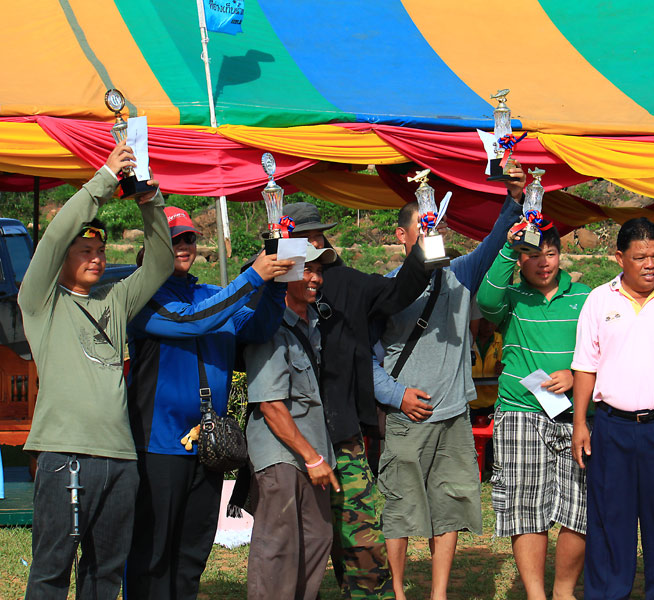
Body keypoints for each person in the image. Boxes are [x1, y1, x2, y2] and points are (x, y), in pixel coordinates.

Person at [18, 141, 173, 598]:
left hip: (120, 460)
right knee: (51, 571)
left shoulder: (114, 300)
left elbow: (161, 260)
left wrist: (150, 201)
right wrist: (104, 180)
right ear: (63, 258)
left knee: (106, 574)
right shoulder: (41, 302)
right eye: (84, 249)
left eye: (101, 250)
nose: (96, 258)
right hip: (65, 454)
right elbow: (51, 237)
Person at [371, 168, 526, 600]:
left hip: (454, 416)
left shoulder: (461, 274)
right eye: (419, 226)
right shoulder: (383, 290)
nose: (427, 232)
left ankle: (438, 594)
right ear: (402, 237)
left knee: (450, 504)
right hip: (406, 418)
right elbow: (365, 361)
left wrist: (513, 198)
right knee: (400, 507)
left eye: (432, 224)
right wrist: (396, 394)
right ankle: (398, 592)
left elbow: (496, 238)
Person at [123, 207, 292, 599]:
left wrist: (276, 284)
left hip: (210, 444)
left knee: (193, 549)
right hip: (159, 444)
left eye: (189, 238)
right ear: (152, 247)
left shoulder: (212, 296)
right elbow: (192, 322)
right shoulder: (142, 295)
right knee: (152, 548)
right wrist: (252, 277)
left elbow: (261, 326)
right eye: (173, 238)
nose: (183, 245)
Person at [280, 201, 430, 600]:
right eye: (301, 238)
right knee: (301, 542)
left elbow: (399, 292)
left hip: (343, 430)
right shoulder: (268, 286)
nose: (311, 244)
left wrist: (425, 249)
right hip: (287, 438)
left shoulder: (346, 282)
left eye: (316, 235)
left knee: (361, 538)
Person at [570, 217, 654, 599]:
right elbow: (585, 366)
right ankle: (609, 592)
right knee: (609, 520)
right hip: (612, 428)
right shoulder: (599, 300)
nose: (650, 264)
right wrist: (580, 422)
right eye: (640, 257)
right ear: (619, 258)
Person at [476, 223, 591, 600]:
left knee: (578, 507)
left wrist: (575, 375)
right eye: (533, 255)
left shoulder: (586, 298)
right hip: (520, 412)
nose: (544, 263)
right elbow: (485, 302)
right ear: (522, 260)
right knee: (526, 508)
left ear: (561, 255)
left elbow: (606, 349)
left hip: (576, 417)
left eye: (551, 254)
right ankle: (536, 595)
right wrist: (509, 248)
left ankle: (563, 592)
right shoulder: (512, 297)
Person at [243, 245, 342, 600]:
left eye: (319, 270)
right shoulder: (268, 325)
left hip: (311, 453)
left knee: (317, 539)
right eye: (307, 269)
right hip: (282, 457)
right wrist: (311, 457)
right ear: (284, 274)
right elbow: (270, 404)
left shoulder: (313, 322)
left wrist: (316, 457)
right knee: (279, 551)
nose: (316, 277)